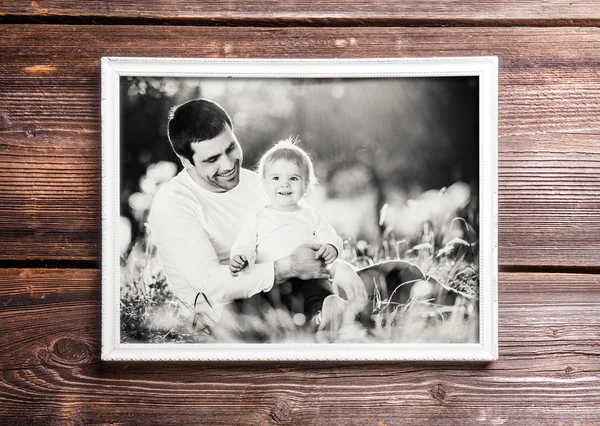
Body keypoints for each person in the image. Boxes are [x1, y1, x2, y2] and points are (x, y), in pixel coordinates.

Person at [149, 98, 428, 338]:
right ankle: (336, 321)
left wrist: (334, 264)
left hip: (301, 287)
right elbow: (212, 284)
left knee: (403, 274)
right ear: (187, 162)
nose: (228, 164)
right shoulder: (173, 204)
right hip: (240, 312)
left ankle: (463, 318)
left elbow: (299, 230)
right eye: (211, 160)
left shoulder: (258, 182)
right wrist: (289, 267)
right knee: (337, 309)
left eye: (231, 148)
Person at [229, 138, 347, 330]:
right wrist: (240, 256)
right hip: (272, 282)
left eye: (293, 178)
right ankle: (252, 324)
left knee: (319, 294)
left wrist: (331, 247)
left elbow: (333, 238)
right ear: (264, 184)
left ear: (306, 184)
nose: (284, 184)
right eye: (276, 178)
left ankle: (324, 318)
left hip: (310, 278)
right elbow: (245, 243)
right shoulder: (258, 216)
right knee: (252, 301)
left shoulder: (311, 215)